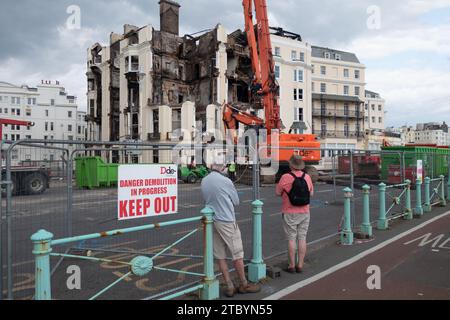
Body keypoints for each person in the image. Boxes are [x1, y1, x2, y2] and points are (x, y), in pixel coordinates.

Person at [201, 162, 261, 297]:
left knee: (220, 255)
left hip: (212, 220)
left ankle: (229, 285)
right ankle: (244, 284)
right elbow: (236, 201)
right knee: (237, 254)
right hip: (226, 220)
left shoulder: (204, 180)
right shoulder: (226, 181)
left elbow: (206, 199)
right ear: (223, 168)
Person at [275, 155, 314, 274]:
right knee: (302, 238)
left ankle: (291, 265)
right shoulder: (307, 177)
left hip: (289, 212)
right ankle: (300, 265)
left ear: (291, 165)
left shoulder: (285, 177)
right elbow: (311, 194)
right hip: (304, 211)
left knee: (291, 239)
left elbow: (277, 193)